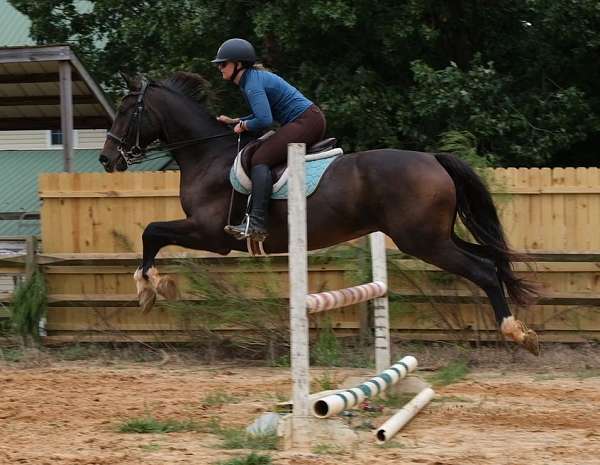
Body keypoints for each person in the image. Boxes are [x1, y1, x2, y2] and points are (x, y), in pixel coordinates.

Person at [212, 38, 326, 242]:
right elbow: (263, 114)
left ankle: (256, 223)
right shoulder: (251, 80)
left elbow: (265, 119)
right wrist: (237, 120)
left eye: (223, 63)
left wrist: (245, 126)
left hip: (306, 122)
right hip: (309, 120)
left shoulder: (252, 83)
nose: (219, 68)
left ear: (238, 64)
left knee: (259, 159)